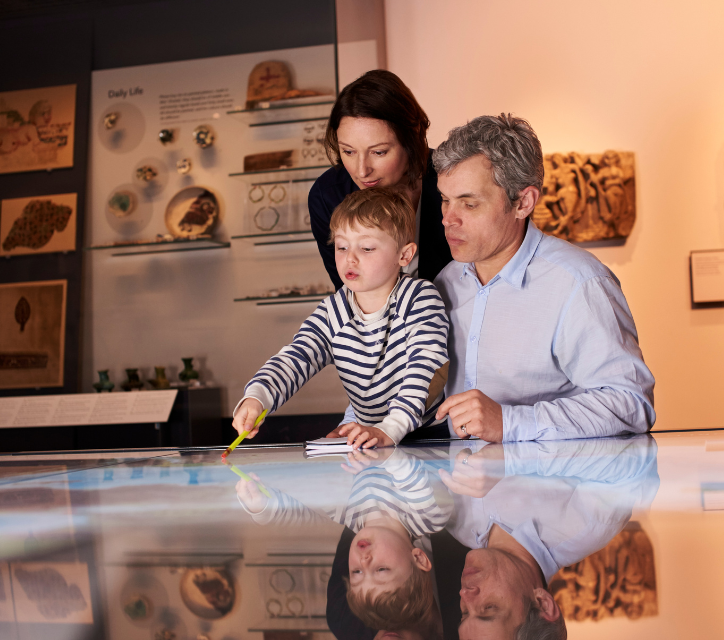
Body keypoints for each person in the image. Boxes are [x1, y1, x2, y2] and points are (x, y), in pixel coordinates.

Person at [431, 114, 656, 442]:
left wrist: (510, 422)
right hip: (459, 486)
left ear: (523, 202)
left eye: (469, 203)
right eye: (445, 200)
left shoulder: (579, 283)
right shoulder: (443, 285)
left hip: (555, 488)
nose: (448, 220)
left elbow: (632, 403)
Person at [233, 187, 449, 448]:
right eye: (342, 246)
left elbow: (426, 365)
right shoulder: (332, 311)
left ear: (404, 255)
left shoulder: (419, 298)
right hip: (369, 437)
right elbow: (297, 357)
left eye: (367, 248)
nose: (350, 258)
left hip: (428, 436)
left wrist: (391, 428)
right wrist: (257, 397)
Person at [443, 436, 659, 639]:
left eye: (464, 613)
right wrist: (509, 451)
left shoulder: (453, 522)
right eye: (488, 609)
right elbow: (629, 437)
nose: (465, 593)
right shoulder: (593, 521)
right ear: (542, 603)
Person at [235, 446, 448, 637]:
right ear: (419, 557)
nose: (363, 561)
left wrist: (262, 508)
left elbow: (307, 509)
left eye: (356, 573)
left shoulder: (352, 518)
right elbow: (416, 474)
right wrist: (385, 453)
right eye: (381, 570)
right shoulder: (429, 518)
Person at [309, 69, 452, 290]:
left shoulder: (450, 178)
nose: (361, 171)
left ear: (412, 134)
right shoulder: (327, 196)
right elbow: (349, 290)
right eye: (348, 152)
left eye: (379, 152)